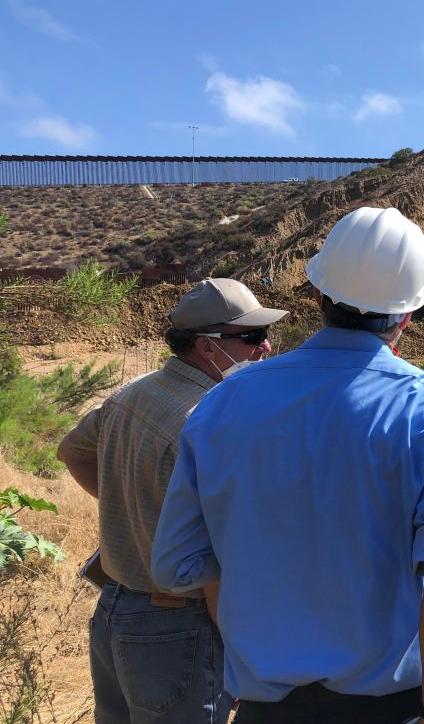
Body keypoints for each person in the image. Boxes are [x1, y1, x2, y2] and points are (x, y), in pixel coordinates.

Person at [151, 206, 424, 724]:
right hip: (389, 710)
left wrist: (255, 654)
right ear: (409, 314)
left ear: (317, 295)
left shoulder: (223, 400)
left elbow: (180, 564)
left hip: (265, 707)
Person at [57, 277, 288, 724]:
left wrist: (134, 506)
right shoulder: (208, 422)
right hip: (177, 628)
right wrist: (246, 656)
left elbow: (71, 450)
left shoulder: (133, 393)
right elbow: (214, 565)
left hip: (114, 609)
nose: (266, 347)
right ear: (207, 347)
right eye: (253, 337)